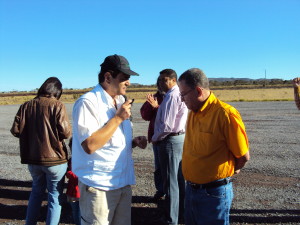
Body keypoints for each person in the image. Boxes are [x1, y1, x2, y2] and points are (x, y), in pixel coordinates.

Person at [72, 54, 147, 225]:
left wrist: (133, 142)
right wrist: (118, 119)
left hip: (122, 182)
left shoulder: (120, 101)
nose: (128, 82)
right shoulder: (88, 102)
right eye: (124, 78)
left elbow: (111, 140)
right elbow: (90, 145)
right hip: (99, 186)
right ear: (108, 77)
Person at [178, 68, 250, 225]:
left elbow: (243, 156)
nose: (182, 99)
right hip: (191, 190)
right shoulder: (193, 111)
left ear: (198, 91)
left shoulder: (225, 114)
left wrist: (230, 170)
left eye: (183, 94)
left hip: (213, 194)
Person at [10, 77, 71, 225]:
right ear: (57, 91)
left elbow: (15, 130)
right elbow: (66, 133)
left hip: (33, 159)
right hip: (56, 160)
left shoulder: (26, 106)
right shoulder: (57, 105)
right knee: (55, 197)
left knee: (36, 193)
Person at [152, 69, 188, 225]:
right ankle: (181, 214)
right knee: (179, 180)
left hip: (170, 141)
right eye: (160, 80)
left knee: (171, 182)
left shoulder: (172, 96)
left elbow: (166, 126)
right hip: (177, 140)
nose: (161, 83)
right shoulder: (173, 95)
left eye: (164, 80)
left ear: (173, 80)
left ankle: (171, 219)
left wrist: (154, 138)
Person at [140, 78, 165, 201]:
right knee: (159, 167)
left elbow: (171, 117)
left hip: (171, 137)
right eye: (159, 83)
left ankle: (173, 192)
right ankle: (161, 190)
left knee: (172, 167)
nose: (162, 85)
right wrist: (151, 106)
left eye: (164, 82)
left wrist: (157, 107)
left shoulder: (175, 97)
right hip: (157, 138)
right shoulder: (155, 97)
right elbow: (145, 115)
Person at [66, 138, 81, 225]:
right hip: (73, 191)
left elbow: (79, 176)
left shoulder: (80, 161)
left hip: (78, 191)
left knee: (79, 212)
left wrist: (69, 173)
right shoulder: (71, 160)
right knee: (75, 211)